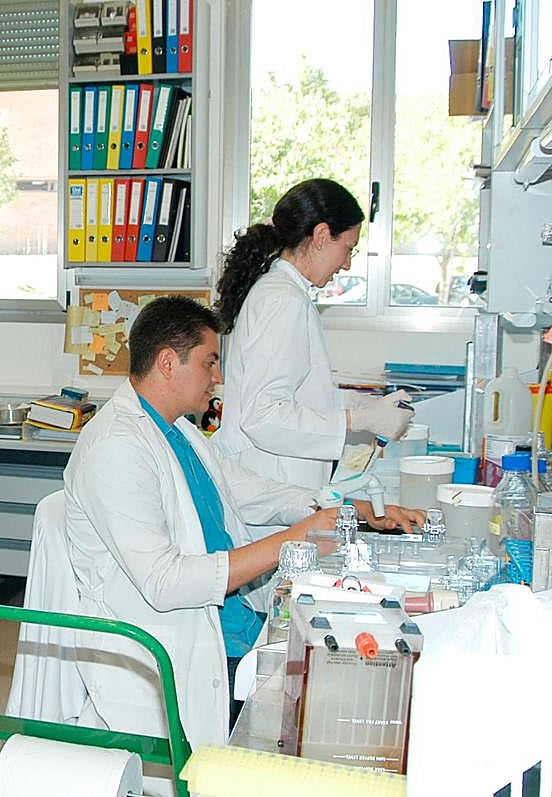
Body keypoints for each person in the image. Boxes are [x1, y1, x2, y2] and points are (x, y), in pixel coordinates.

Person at [62, 296, 422, 762]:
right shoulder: (116, 448)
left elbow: (252, 491)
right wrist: (298, 536)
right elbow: (166, 582)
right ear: (169, 362)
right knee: (337, 711)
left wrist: (349, 509)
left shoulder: (179, 432)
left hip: (231, 625)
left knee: (348, 673)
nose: (218, 377)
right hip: (179, 643)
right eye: (210, 361)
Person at [212, 178, 416, 496]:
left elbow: (299, 396)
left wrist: (359, 404)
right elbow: (263, 417)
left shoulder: (283, 292)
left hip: (274, 481)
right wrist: (357, 419)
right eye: (347, 248)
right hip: (270, 487)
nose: (346, 264)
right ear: (321, 235)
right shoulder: (283, 300)